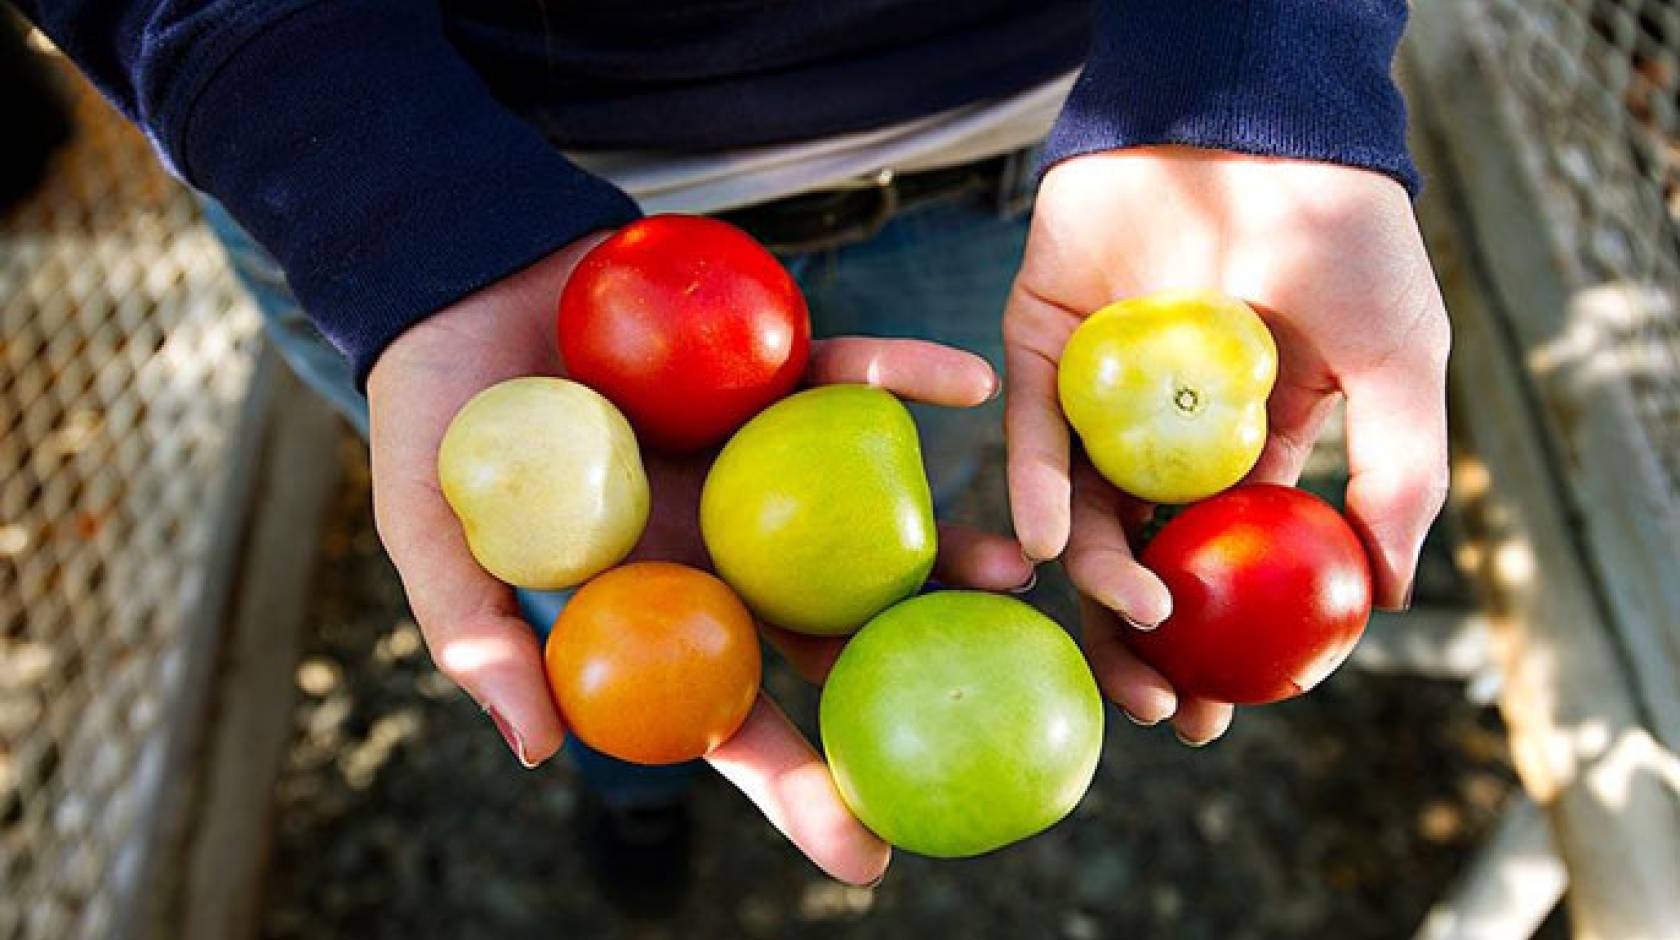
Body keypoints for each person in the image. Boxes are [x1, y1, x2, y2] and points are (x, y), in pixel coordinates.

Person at [16, 0, 1449, 895]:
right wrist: (386, 203)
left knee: (961, 511)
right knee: (583, 622)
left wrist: (1252, 59)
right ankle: (631, 786)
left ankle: (631, 785)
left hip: (1063, 173)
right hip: (430, 207)